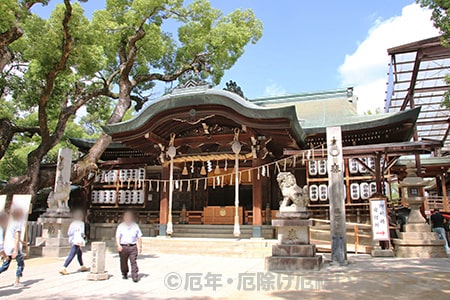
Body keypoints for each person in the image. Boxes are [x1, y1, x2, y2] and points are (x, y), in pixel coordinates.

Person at [0, 208, 25, 288]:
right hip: (13, 246)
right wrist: (16, 249)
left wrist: (21, 241)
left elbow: (10, 235)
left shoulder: (7, 224)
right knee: (20, 264)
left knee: (5, 266)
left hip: (6, 246)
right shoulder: (17, 223)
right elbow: (16, 237)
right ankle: (17, 281)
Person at [115, 210, 142, 282]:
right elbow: (118, 237)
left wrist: (139, 247)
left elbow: (139, 237)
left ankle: (135, 275)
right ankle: (124, 273)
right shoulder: (121, 226)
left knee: (133, 261)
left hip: (133, 246)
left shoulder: (135, 226)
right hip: (123, 246)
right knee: (123, 261)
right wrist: (118, 245)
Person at [60, 210, 88, 275]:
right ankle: (64, 267)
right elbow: (82, 233)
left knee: (79, 253)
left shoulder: (72, 223)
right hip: (77, 240)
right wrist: (83, 240)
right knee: (72, 254)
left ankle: (82, 266)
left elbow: (69, 232)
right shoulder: (81, 223)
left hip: (72, 239)